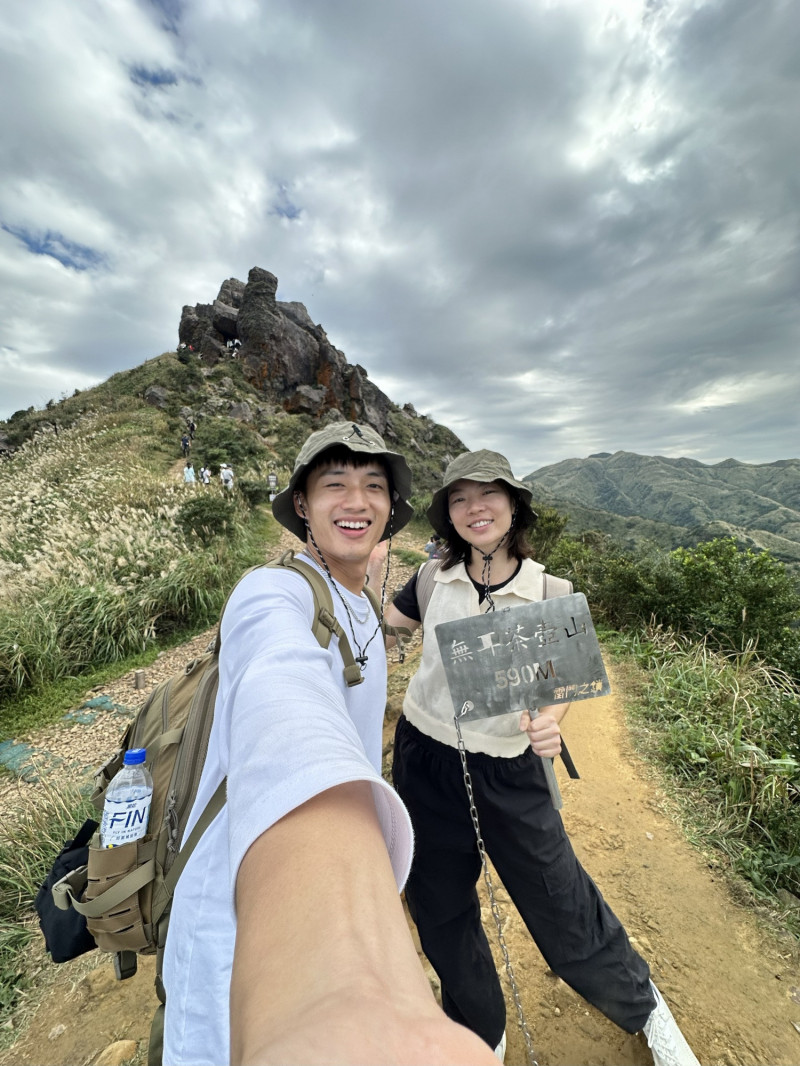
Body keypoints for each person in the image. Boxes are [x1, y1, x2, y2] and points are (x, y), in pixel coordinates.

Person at [162, 424, 498, 1066]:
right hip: (239, 929)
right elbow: (282, 690)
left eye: (374, 486)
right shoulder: (271, 594)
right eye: (335, 484)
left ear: (390, 512)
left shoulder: (361, 604)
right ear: (303, 508)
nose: (357, 500)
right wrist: (350, 988)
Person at [383, 449, 700, 1066]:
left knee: (560, 899)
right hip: (424, 760)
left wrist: (550, 725)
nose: (475, 508)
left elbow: (563, 691)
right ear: (448, 515)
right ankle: (479, 1030)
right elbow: (388, 626)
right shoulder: (431, 579)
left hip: (508, 770)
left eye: (489, 494)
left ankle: (642, 1007)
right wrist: (369, 586)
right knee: (441, 904)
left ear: (514, 506)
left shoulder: (551, 592)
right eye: (459, 498)